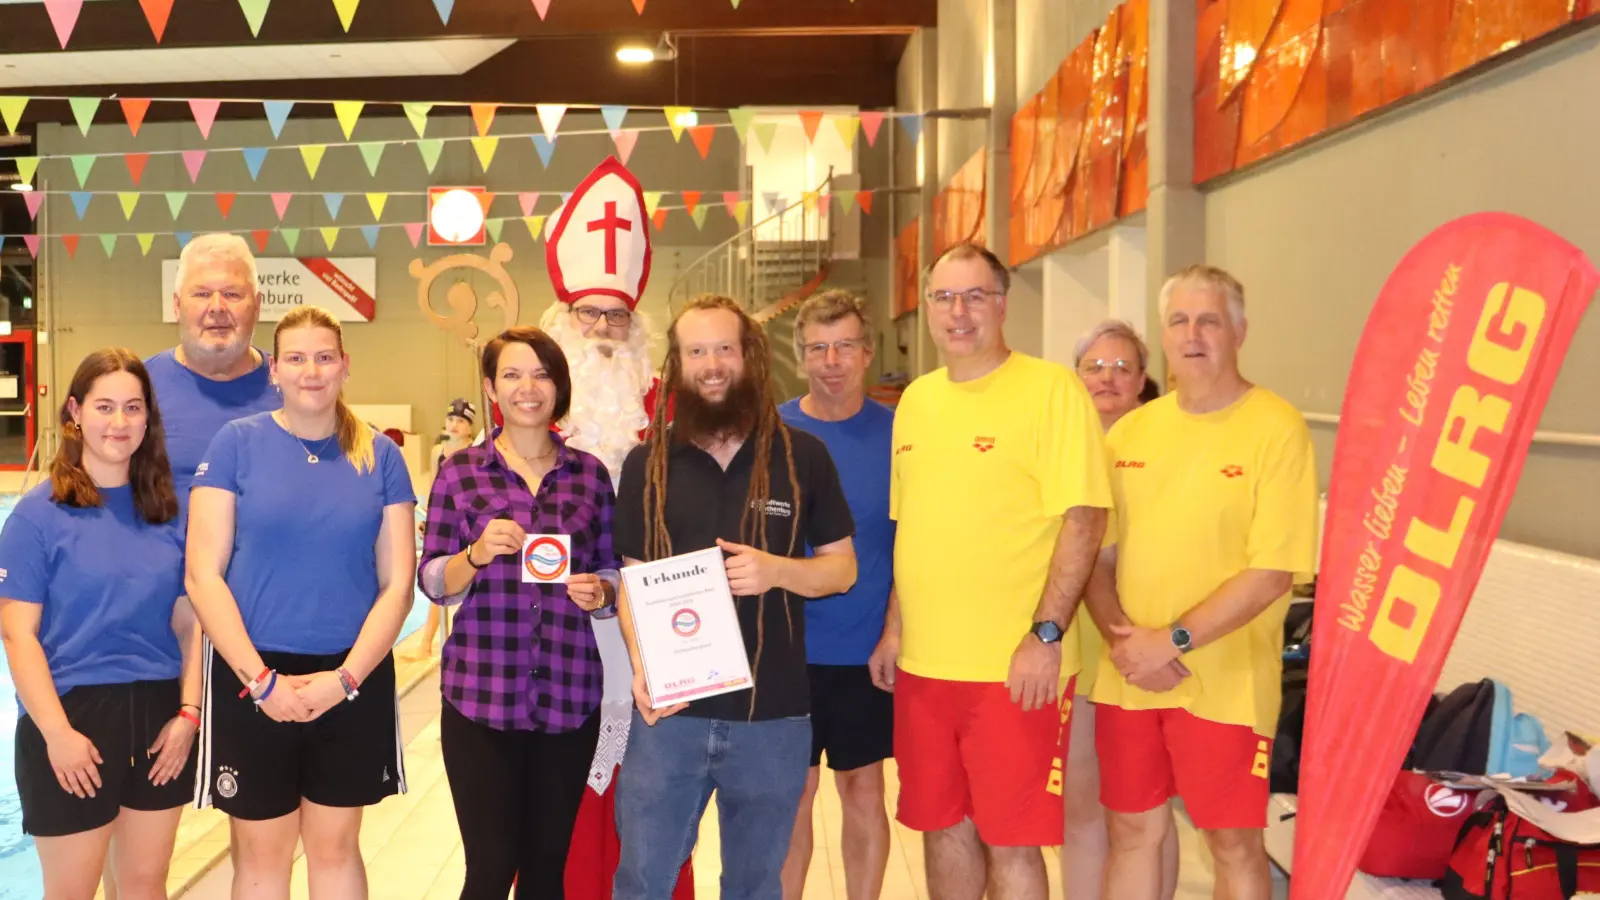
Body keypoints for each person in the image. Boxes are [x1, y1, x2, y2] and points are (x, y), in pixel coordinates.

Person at [612, 293, 857, 900]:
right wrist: (642, 668)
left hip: (771, 719)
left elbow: (842, 570)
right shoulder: (649, 463)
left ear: (749, 356)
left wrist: (778, 570)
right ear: (677, 363)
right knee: (643, 880)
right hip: (670, 718)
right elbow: (631, 586)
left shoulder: (803, 457)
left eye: (725, 348)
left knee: (754, 886)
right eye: (697, 351)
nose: (712, 364)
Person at [1085, 265, 1318, 900]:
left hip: (1226, 681)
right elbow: (1096, 561)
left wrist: (1174, 641)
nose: (1194, 335)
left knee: (1232, 843)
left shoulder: (1276, 428)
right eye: (1180, 321)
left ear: (1239, 330)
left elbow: (1271, 572)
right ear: (1164, 335)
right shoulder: (1131, 432)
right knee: (1131, 832)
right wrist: (1128, 644)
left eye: (1209, 320)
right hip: (1131, 674)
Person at [887, 242, 1111, 900]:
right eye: (944, 297)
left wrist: (1045, 635)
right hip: (927, 668)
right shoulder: (917, 402)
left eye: (975, 296)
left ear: (1003, 305)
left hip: (1015, 672)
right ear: (926, 309)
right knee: (941, 828)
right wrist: (895, 630)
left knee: (1010, 839)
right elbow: (913, 529)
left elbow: (1084, 518)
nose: (959, 312)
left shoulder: (1050, 391)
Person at [186, 306, 417, 900]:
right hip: (251, 673)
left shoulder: (380, 456)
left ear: (345, 366)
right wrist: (262, 682)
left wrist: (343, 680)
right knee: (262, 858)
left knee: (336, 849)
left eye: (324, 357)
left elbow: (397, 583)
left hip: (351, 672)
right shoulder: (237, 444)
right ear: (275, 372)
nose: (310, 371)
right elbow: (202, 574)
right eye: (295, 357)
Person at [533, 156, 694, 900]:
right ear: (561, 323)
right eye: (588, 314)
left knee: (652, 786)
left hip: (649, 617)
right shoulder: (525, 408)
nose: (601, 329)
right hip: (551, 630)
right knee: (559, 791)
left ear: (636, 326)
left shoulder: (665, 403)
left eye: (616, 316)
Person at [414, 326, 622, 900]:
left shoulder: (590, 474)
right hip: (480, 699)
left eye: (541, 374)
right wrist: (476, 554)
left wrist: (600, 593)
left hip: (569, 694)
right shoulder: (460, 471)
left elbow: (611, 571)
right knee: (488, 867)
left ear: (558, 386)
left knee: (546, 869)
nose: (527, 387)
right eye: (511, 374)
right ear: (490, 387)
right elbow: (432, 579)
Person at [0, 349, 199, 900]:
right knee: (72, 893)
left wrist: (189, 712)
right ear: (75, 412)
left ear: (148, 417)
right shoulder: (39, 516)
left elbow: (190, 623)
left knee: (144, 886)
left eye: (132, 407)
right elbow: (18, 636)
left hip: (160, 717)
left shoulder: (165, 512)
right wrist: (57, 734)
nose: (119, 422)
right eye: (105, 406)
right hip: (73, 717)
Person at [776, 290, 897, 900]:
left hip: (864, 650)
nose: (831, 361)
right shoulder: (770, 432)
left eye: (844, 346)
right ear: (800, 357)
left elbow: (915, 545)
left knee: (864, 791)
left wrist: (895, 634)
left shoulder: (899, 436)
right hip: (785, 650)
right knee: (791, 797)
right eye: (818, 349)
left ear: (867, 353)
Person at [1065, 320, 1178, 900]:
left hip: (1147, 643)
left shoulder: (1170, 448)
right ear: (1076, 377)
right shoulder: (1059, 447)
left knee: (1149, 812)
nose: (1107, 379)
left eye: (1122, 368)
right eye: (1095, 367)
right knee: (1083, 806)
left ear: (1143, 382)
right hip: (1078, 648)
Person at [144, 232, 281, 522]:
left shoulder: (292, 388)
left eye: (232, 294)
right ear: (178, 305)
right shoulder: (137, 389)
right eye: (202, 294)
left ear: (257, 305)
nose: (217, 307)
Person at [408, 397, 477, 661]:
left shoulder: (476, 451)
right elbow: (432, 487)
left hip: (467, 524)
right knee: (437, 579)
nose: (455, 425)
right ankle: (426, 642)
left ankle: (434, 643)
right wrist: (428, 517)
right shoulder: (439, 451)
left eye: (461, 421)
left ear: (470, 427)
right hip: (445, 521)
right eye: (451, 420)